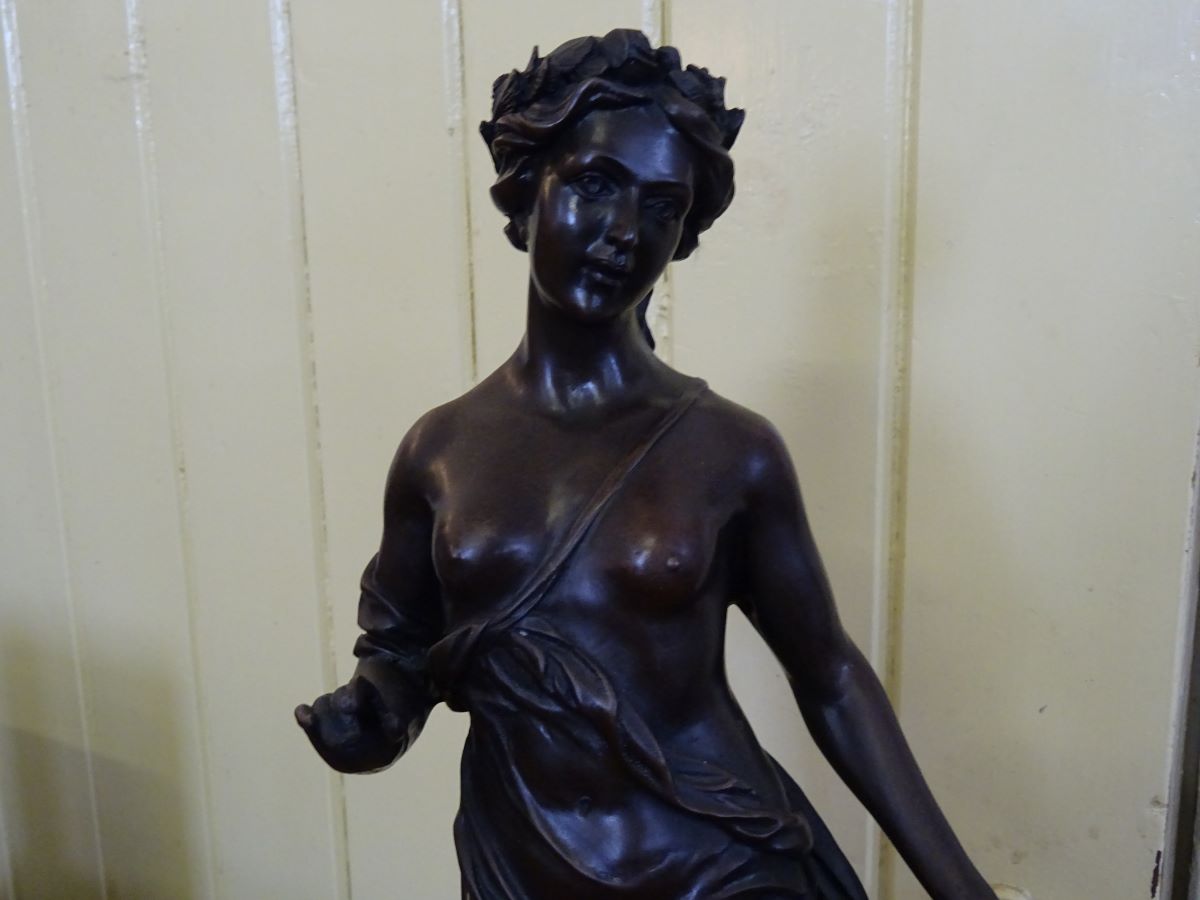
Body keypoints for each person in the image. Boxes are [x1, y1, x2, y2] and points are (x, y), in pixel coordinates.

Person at [296, 29, 994, 899]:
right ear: (526, 191)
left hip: (719, 864)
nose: (626, 233)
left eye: (663, 207)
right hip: (519, 865)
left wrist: (963, 890)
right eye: (595, 185)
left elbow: (831, 678)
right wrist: (371, 716)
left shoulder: (731, 452)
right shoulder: (437, 451)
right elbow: (399, 652)